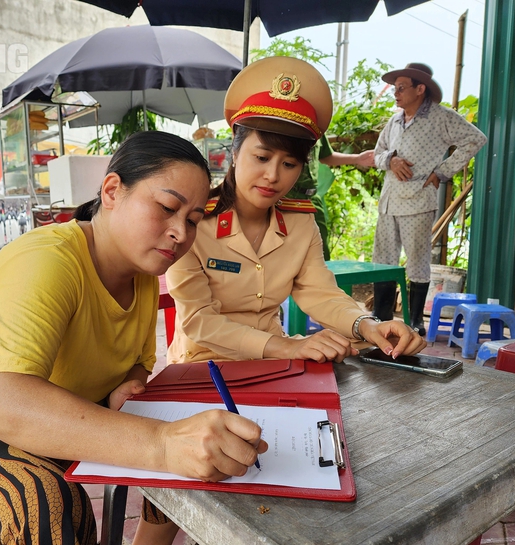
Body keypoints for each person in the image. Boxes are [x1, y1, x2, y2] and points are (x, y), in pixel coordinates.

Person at [0, 131, 266, 545]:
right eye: (167, 208)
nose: (181, 232)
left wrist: (132, 385)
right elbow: (1, 405)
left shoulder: (141, 277)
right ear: (112, 191)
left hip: (51, 435)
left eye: (194, 219)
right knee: (46, 504)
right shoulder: (47, 262)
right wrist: (160, 443)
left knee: (195, 428)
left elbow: (137, 361)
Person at [165, 56, 426, 366]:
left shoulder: (300, 225)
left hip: (272, 366)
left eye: (289, 164)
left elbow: (320, 293)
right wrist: (284, 347)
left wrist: (368, 326)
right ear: (234, 152)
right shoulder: (193, 223)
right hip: (203, 367)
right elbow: (199, 321)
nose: (273, 176)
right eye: (261, 158)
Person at [371, 63, 487, 335]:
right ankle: (381, 315)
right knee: (384, 258)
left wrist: (442, 171)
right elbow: (377, 155)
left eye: (401, 88)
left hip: (418, 200)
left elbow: (475, 139)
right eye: (395, 89)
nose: (396, 94)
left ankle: (414, 321)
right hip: (389, 201)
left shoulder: (441, 117)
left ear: (420, 89)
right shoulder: (394, 120)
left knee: (417, 260)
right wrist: (391, 159)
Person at [286, 134, 375, 260]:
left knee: (320, 249)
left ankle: (319, 278)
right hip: (286, 197)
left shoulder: (317, 129)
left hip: (311, 198)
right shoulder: (284, 125)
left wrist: (357, 158)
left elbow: (327, 157)